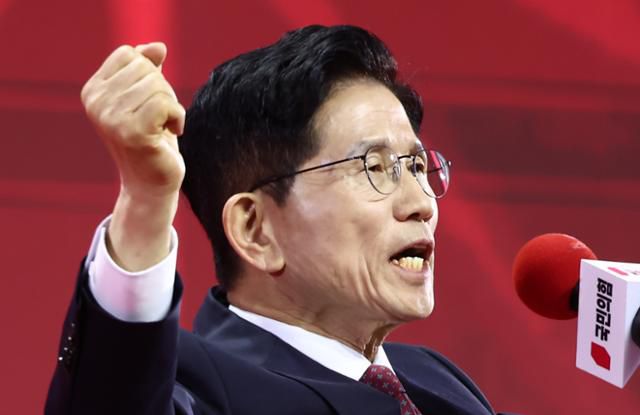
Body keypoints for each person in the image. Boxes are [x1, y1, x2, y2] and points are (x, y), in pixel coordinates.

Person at [45, 25, 515, 415]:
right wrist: (146, 201)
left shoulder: (437, 379)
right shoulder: (192, 385)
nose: (422, 203)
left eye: (416, 166)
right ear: (256, 230)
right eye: (374, 168)